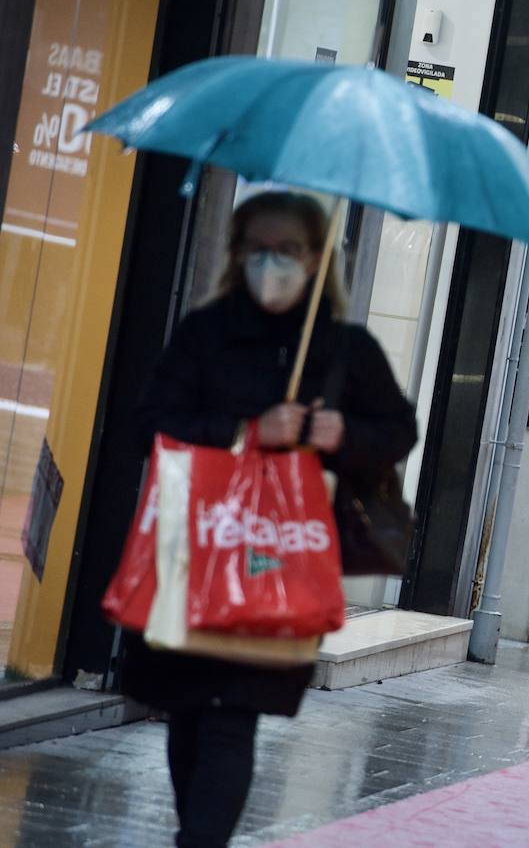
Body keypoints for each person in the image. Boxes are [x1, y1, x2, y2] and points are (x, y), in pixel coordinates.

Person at [123, 191, 417, 848]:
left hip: (284, 558)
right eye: (259, 249)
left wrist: (344, 434)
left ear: (317, 259)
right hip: (195, 550)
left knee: (232, 717)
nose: (272, 264)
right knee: (190, 714)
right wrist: (244, 431)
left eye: (289, 250)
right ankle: (194, 834)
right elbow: (149, 422)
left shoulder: (344, 348)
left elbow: (397, 429)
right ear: (236, 255)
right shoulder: (207, 333)